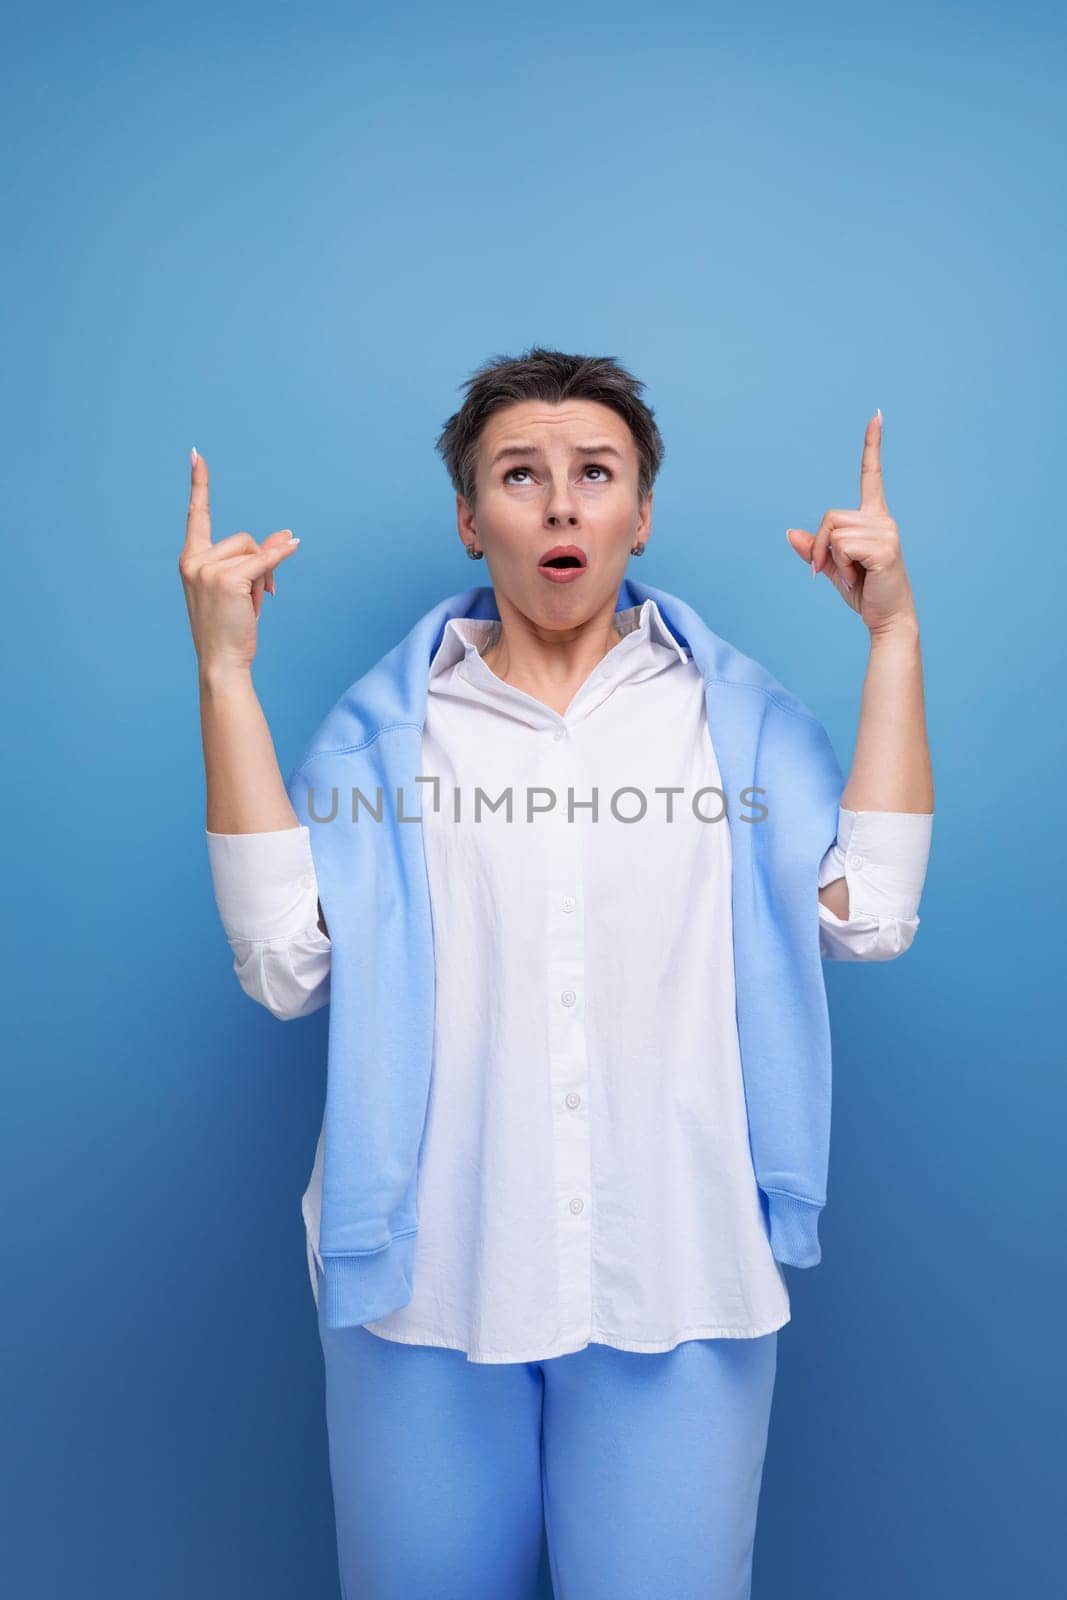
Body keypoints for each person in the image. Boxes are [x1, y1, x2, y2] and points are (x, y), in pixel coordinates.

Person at [181, 348, 934, 1599]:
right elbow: (283, 965)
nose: (562, 502)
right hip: (423, 1285)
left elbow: (873, 914)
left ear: (640, 511)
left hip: (678, 1273)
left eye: (596, 472)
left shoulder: (729, 721)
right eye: (519, 475)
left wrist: (894, 634)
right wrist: (224, 675)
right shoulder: (386, 733)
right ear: (473, 520)